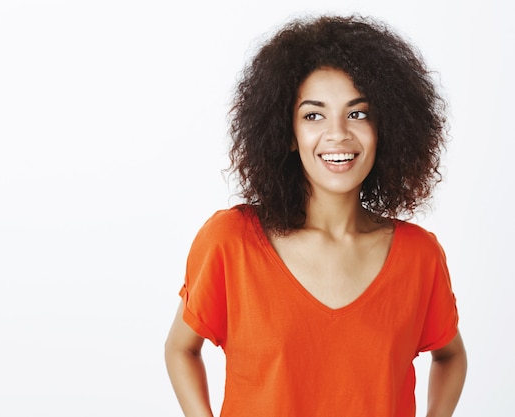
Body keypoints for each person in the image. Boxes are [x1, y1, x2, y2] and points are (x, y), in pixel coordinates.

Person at [164, 14, 467, 417]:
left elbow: (450, 356)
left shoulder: (419, 256)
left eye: (358, 114)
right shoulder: (231, 241)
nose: (338, 133)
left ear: (386, 128)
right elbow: (181, 348)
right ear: (287, 133)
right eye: (313, 115)